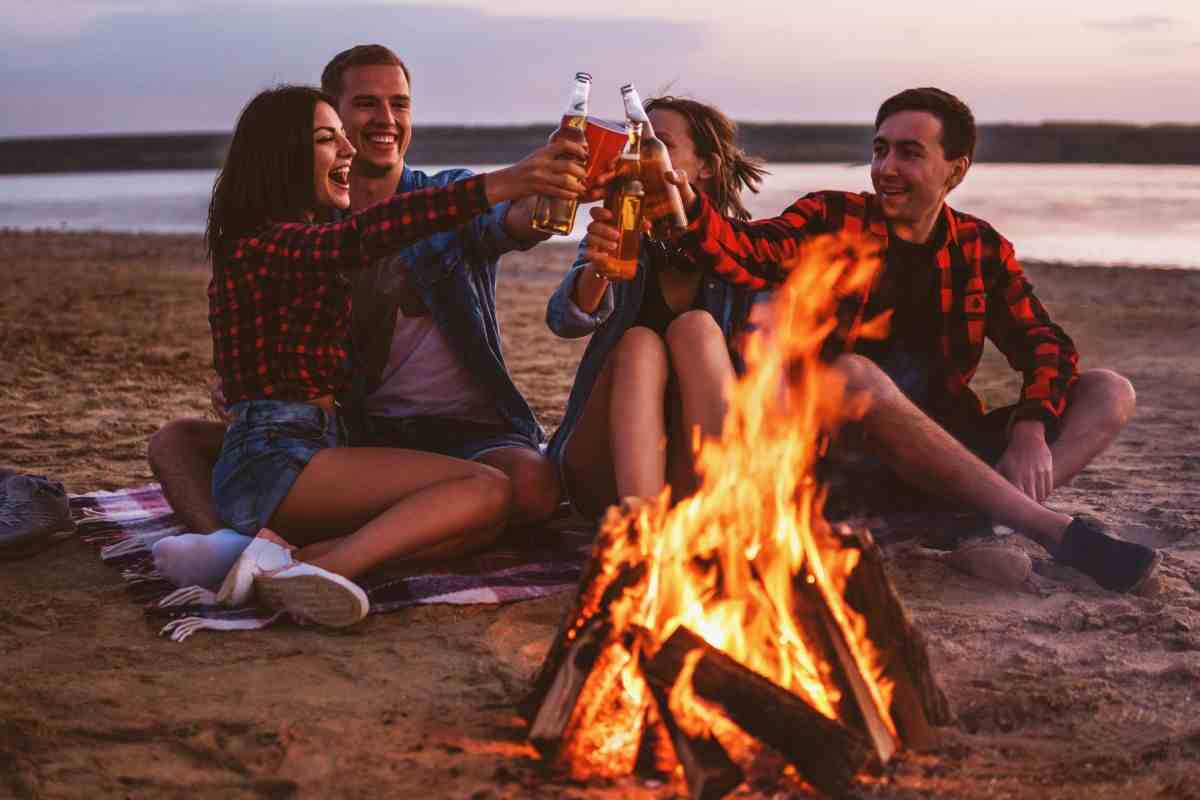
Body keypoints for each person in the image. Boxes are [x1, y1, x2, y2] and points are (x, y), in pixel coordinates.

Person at [584, 87, 1159, 594]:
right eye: (880, 149)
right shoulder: (833, 217)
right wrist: (682, 205)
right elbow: (745, 249)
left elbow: (1044, 344)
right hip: (843, 461)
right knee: (853, 373)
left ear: (956, 169)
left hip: (946, 443)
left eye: (909, 153)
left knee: (1110, 391)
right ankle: (1045, 528)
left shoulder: (981, 247)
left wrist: (1032, 423)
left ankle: (989, 520)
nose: (886, 166)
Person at [149, 45, 587, 586]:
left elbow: (512, 224)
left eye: (400, 104)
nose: (371, 129)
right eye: (333, 132)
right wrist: (505, 179)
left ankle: (261, 557)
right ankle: (293, 564)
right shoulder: (294, 239)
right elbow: (359, 238)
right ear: (288, 152)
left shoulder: (335, 223)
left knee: (478, 519)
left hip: (329, 438)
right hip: (298, 449)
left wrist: (544, 195)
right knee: (482, 494)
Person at [545, 96, 768, 517]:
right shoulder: (622, 230)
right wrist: (599, 267)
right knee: (639, 342)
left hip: (695, 467)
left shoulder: (739, 248)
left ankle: (719, 511)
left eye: (658, 143)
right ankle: (638, 524)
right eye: (636, 142)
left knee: (697, 328)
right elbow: (564, 321)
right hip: (603, 467)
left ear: (706, 166)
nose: (641, 153)